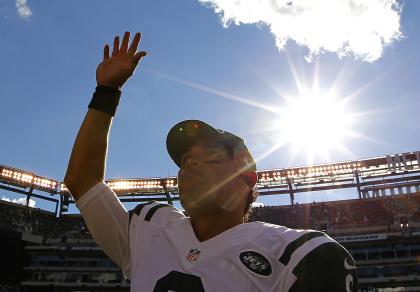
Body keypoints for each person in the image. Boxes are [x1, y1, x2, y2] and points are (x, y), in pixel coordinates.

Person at [64, 31, 357, 291]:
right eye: (187, 159)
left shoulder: (296, 254)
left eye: (212, 158)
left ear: (248, 177)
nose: (191, 165)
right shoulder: (151, 227)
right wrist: (106, 92)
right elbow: (83, 181)